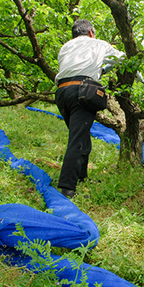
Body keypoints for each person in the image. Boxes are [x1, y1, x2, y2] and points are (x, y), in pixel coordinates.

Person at [55, 19, 125, 198]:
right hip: (82, 93)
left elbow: (78, 68)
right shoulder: (98, 44)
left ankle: (82, 176)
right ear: (91, 32)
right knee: (77, 140)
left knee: (82, 136)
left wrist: (102, 70)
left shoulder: (65, 47)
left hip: (62, 93)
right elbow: (123, 58)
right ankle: (67, 188)